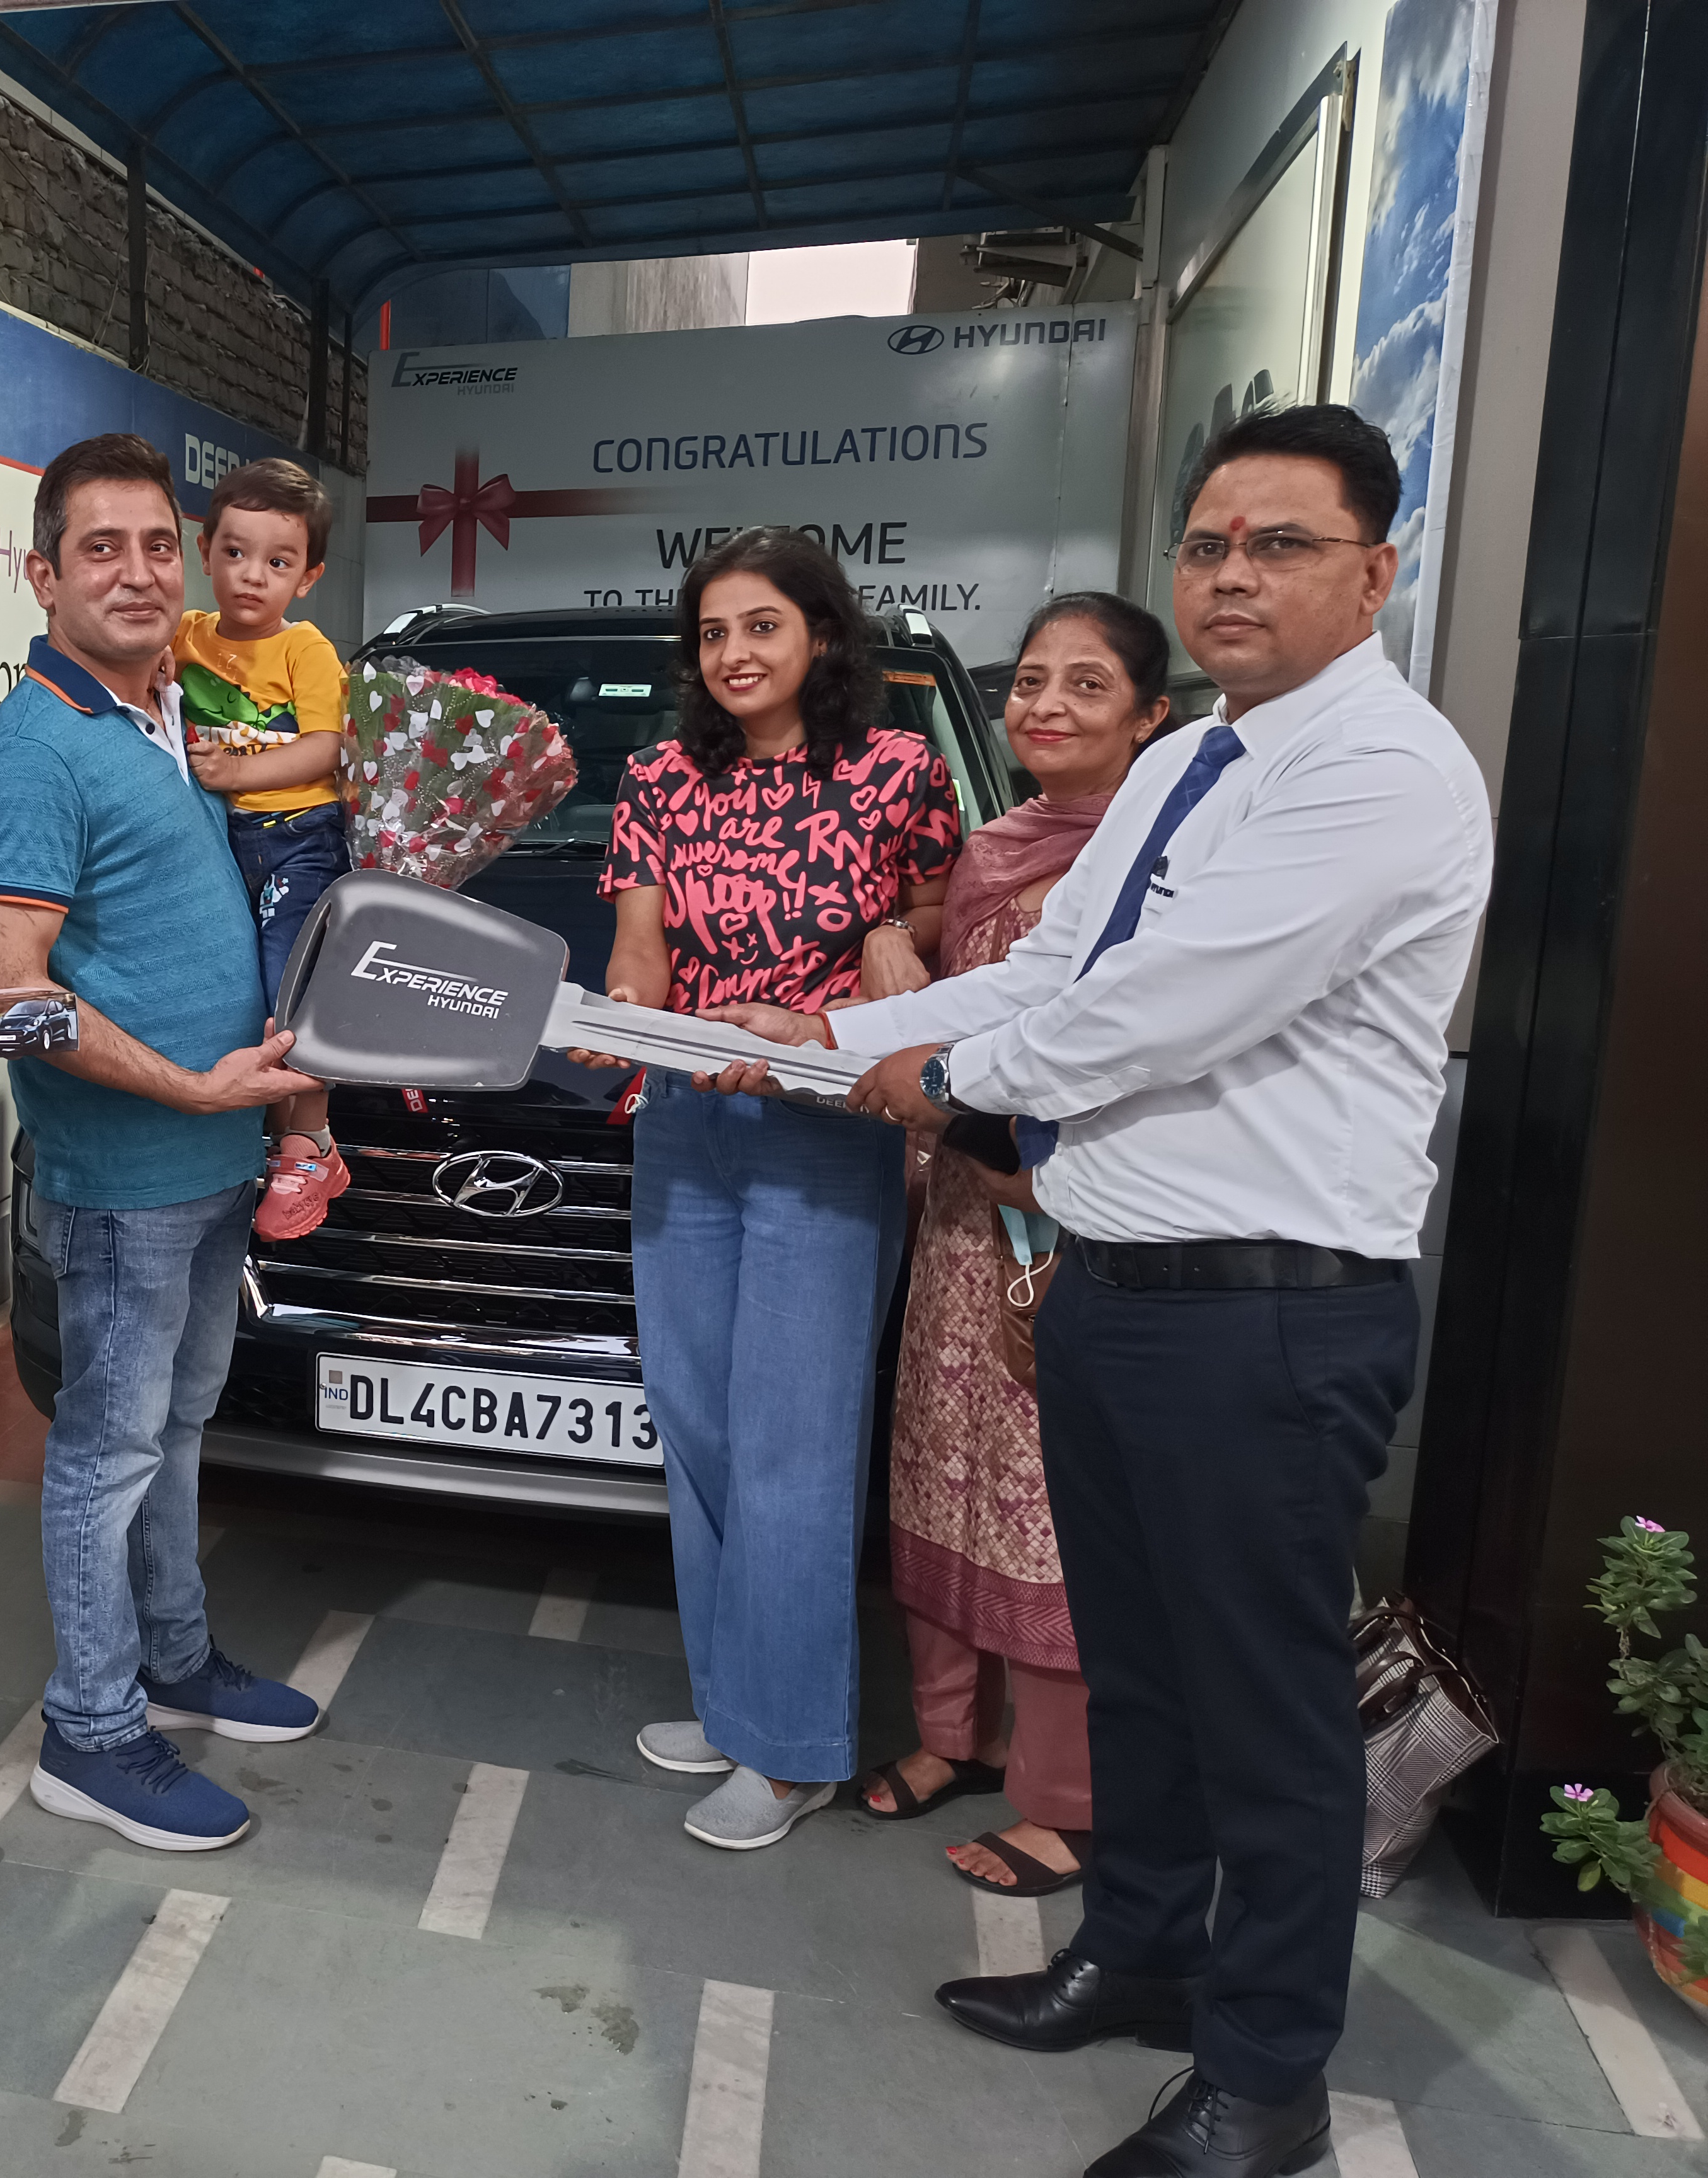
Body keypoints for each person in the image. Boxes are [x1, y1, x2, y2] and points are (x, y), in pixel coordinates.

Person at [740, 405, 1493, 2178]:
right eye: (1208, 544)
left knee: (1266, 1713)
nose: (1233, 574)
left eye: (1280, 544)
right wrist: (833, 1032)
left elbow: (1165, 1009)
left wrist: (941, 1084)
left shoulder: (1384, 771)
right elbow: (1057, 970)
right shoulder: (1186, 764)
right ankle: (1142, 1951)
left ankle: (1265, 2078)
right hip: (1115, 1289)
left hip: (1268, 1316)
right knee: (1141, 1670)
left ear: (1374, 573)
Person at [0, 433, 326, 1852]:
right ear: (42, 575)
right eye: (99, 548)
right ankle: (91, 1728)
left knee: (174, 1430)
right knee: (106, 1451)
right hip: (125, 1180)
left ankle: (173, 1657)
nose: (136, 572)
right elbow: (12, 995)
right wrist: (185, 1088)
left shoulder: (166, 713)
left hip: (212, 1162)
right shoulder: (35, 747)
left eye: (157, 547)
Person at [575, 524, 962, 1852]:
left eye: (761, 626)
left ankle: (791, 1750)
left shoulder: (896, 770)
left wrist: (891, 933)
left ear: (822, 636)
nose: (734, 653)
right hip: (685, 1116)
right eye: (713, 633)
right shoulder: (659, 779)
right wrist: (620, 1015)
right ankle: (735, 1699)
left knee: (794, 1439)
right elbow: (640, 952)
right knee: (699, 1423)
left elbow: (942, 930)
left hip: (824, 1122)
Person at [861, 594, 1170, 1904]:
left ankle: (1066, 1803)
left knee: (1051, 1514)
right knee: (941, 1474)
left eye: (1085, 686)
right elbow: (944, 980)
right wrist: (893, 931)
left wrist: (1012, 1149)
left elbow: (1125, 1044)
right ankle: (955, 1737)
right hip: (954, 1214)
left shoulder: (1165, 862)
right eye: (1031, 681)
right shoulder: (989, 848)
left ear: (1150, 717)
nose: (1043, 706)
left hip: (1065, 1214)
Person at [172, 456, 353, 1239]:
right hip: (222, 840)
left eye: (278, 563)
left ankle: (310, 1143)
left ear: (308, 578)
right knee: (237, 994)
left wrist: (236, 771)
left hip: (300, 840)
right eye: (236, 553)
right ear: (205, 550)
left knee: (292, 990)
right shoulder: (184, 635)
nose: (252, 575)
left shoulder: (305, 650)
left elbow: (324, 749)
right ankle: (265, 1134)